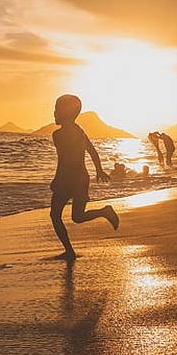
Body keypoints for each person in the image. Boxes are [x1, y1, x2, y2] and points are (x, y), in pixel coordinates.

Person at [49, 94, 119, 260]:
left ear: (65, 113)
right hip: (81, 178)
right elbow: (92, 151)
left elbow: (65, 162)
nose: (54, 113)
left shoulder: (58, 135)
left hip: (69, 180)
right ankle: (104, 212)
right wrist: (99, 170)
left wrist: (57, 181)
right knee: (76, 216)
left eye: (57, 110)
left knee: (59, 215)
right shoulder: (79, 132)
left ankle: (70, 251)